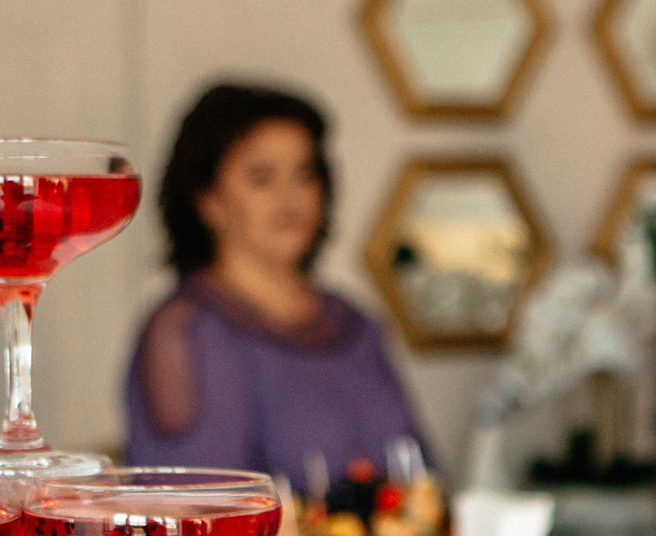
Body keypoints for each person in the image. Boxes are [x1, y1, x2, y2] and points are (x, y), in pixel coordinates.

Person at [125, 81, 429, 486]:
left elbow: (425, 481)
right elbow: (194, 512)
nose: (290, 198)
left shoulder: (355, 323)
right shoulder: (186, 332)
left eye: (305, 175)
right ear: (208, 200)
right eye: (261, 177)